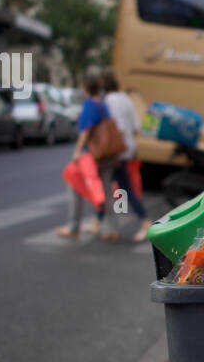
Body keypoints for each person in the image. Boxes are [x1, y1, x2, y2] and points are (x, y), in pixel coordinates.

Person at [56, 72, 119, 241]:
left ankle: (73, 225)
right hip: (108, 154)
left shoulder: (89, 105)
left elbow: (86, 131)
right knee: (107, 191)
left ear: (85, 88)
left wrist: (77, 151)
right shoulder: (103, 105)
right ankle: (110, 228)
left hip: (94, 155)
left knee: (73, 181)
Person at [101, 67, 152, 243]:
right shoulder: (126, 99)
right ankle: (100, 220)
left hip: (117, 150)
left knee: (119, 187)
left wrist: (115, 153)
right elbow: (136, 126)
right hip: (128, 147)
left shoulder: (109, 101)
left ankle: (144, 221)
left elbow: (118, 128)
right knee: (118, 186)